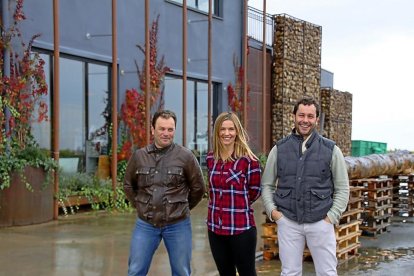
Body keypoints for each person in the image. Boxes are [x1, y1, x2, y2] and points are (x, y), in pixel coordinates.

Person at [261, 96, 350, 276]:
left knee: (327, 272)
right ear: (293, 116)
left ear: (317, 119)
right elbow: (267, 184)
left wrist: (331, 218)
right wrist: (274, 213)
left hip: (321, 221)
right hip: (288, 221)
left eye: (310, 116)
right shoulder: (279, 149)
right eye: (301, 115)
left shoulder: (331, 150)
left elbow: (343, 188)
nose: (305, 120)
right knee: (290, 272)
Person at [123, 110, 206, 276]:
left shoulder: (186, 156)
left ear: (175, 130)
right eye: (162, 129)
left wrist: (181, 206)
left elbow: (199, 188)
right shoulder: (139, 156)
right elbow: (128, 185)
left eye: (170, 129)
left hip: (178, 224)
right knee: (135, 270)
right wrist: (142, 206)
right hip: (146, 224)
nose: (166, 133)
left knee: (181, 272)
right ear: (153, 130)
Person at [206, 112, 262, 276]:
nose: (226, 133)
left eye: (231, 129)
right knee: (225, 273)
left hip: (241, 229)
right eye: (222, 129)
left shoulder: (249, 161)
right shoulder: (211, 158)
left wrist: (237, 205)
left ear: (237, 131)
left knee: (247, 273)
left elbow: (255, 191)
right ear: (217, 131)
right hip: (215, 228)